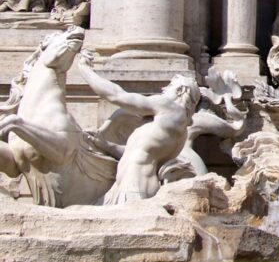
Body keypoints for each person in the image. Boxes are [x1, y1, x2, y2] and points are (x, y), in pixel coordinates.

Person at [78, 50, 200, 205]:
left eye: (169, 87)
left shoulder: (169, 107)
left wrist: (85, 69)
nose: (163, 90)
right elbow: (137, 151)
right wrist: (106, 145)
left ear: (180, 90)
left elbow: (117, 96)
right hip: (131, 184)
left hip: (135, 186)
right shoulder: (179, 132)